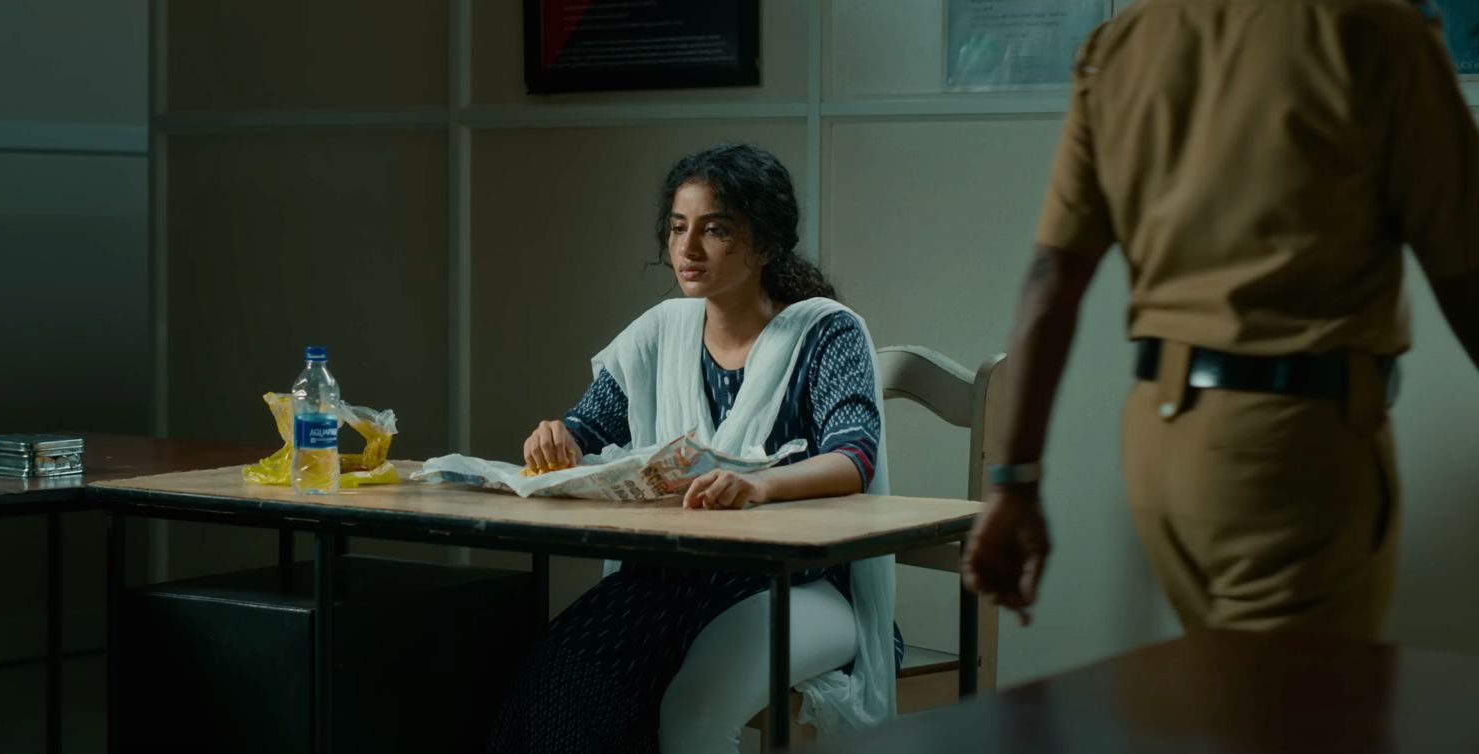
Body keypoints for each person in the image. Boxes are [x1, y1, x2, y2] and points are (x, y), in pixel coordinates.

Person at [964, 0, 1479, 639]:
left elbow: (1051, 279)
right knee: (1299, 697)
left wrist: (1014, 481)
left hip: (1159, 442)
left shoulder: (1125, 44)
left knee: (1229, 686)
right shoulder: (1373, 30)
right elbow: (1467, 270)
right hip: (1290, 449)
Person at [489, 144, 900, 753]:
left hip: (798, 587)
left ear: (764, 244)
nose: (688, 248)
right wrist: (557, 438)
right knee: (557, 691)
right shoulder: (662, 332)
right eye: (679, 228)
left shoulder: (825, 331)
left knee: (693, 716)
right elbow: (585, 428)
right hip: (674, 578)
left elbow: (853, 459)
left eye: (716, 230)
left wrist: (758, 484)